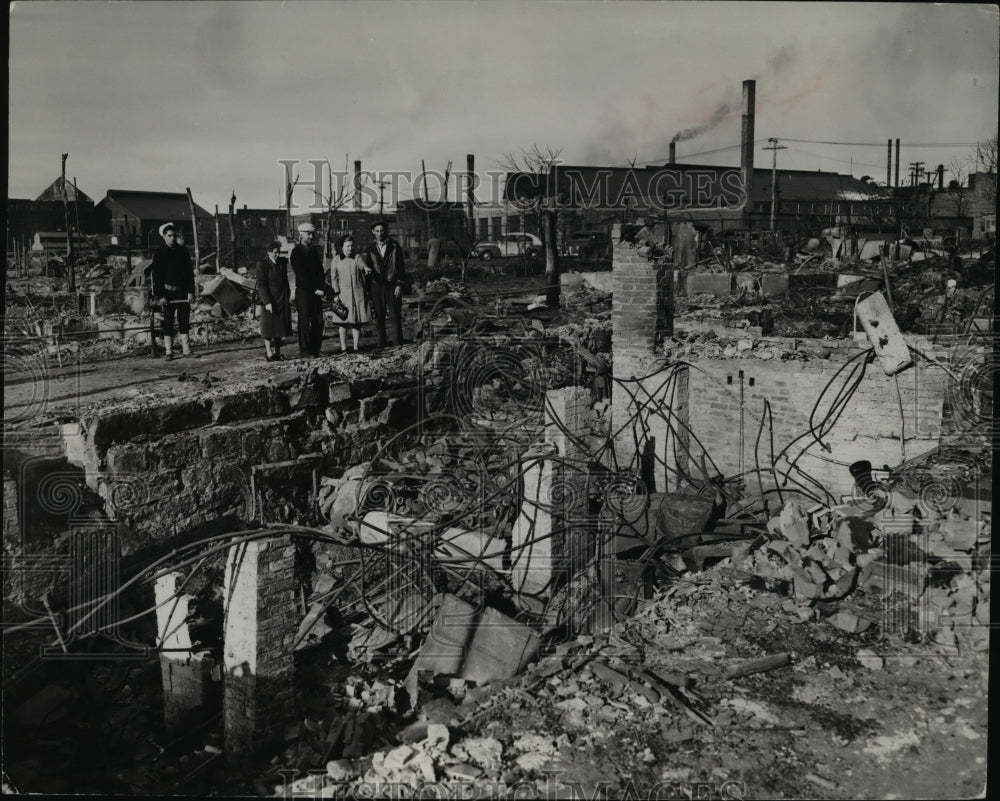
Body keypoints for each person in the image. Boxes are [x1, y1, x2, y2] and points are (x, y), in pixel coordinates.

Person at [151, 222, 199, 360]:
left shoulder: (183, 251)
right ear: (164, 237)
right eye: (169, 236)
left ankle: (186, 350)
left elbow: (190, 273)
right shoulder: (159, 253)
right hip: (167, 294)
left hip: (183, 293)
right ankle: (169, 351)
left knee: (184, 321)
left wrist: (190, 292)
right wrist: (161, 296)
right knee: (168, 322)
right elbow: (157, 276)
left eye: (174, 235)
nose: (172, 238)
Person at [365, 220, 409, 349]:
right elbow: (368, 268)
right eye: (377, 231)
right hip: (376, 286)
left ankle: (397, 344)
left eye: (382, 230)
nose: (380, 233)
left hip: (393, 285)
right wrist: (368, 289)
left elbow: (401, 266)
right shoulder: (370, 248)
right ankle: (381, 344)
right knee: (379, 316)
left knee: (395, 315)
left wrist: (399, 285)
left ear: (386, 231)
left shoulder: (395, 246)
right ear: (373, 232)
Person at [329, 234, 372, 354]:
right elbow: (334, 278)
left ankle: (355, 347)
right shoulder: (336, 259)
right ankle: (343, 348)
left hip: (357, 295)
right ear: (342, 247)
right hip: (343, 296)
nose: (350, 249)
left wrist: (366, 268)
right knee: (342, 322)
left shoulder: (357, 257)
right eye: (347, 246)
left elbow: (362, 265)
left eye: (352, 246)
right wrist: (336, 294)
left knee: (356, 322)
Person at [290, 222, 326, 357]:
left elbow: (320, 271)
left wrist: (321, 287)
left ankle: (316, 349)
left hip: (316, 292)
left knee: (318, 321)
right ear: (301, 235)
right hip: (304, 292)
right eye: (309, 234)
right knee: (304, 322)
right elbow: (302, 275)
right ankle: (305, 351)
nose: (311, 237)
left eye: (312, 234)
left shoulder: (314, 251)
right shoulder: (296, 252)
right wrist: (315, 289)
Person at [256, 240, 291, 362]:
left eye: (279, 252)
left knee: (279, 327)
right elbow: (262, 284)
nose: (277, 255)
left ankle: (278, 352)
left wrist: (288, 295)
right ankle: (269, 352)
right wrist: (267, 302)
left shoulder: (281, 263)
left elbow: (285, 280)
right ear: (269, 252)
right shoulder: (262, 264)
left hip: (281, 299)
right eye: (275, 252)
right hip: (270, 300)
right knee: (268, 327)